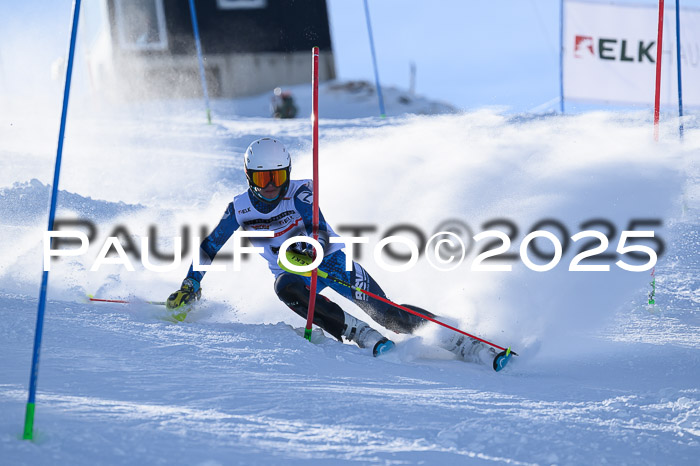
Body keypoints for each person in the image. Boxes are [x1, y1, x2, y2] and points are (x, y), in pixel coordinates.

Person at [166, 138, 509, 370]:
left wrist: (310, 246)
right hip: (295, 274)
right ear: (248, 177)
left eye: (277, 176)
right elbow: (209, 247)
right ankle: (357, 333)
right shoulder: (239, 210)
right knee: (285, 287)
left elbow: (318, 227)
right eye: (263, 178)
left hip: (332, 262)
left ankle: (461, 342)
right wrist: (191, 283)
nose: (271, 186)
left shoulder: (300, 192)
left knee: (390, 316)